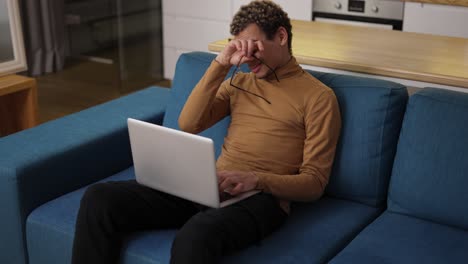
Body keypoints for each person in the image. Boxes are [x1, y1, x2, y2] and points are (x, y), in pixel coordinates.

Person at [71, 1, 341, 263]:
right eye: (240, 47)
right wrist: (221, 63)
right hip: (211, 186)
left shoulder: (318, 97)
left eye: (254, 47)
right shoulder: (239, 83)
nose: (247, 58)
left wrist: (255, 180)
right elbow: (188, 123)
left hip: (264, 200)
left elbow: (314, 183)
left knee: (195, 235)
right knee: (100, 198)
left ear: (281, 36)